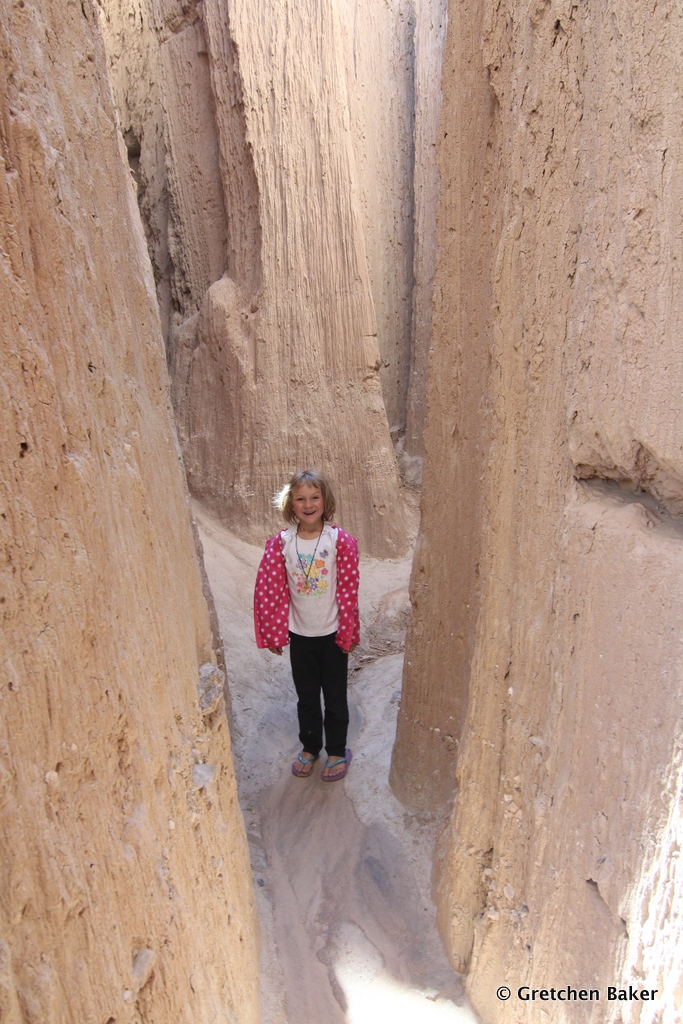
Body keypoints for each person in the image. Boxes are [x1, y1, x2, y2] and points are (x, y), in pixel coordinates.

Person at [253, 469, 359, 780]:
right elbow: (270, 590)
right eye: (300, 499)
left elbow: (349, 591)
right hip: (300, 636)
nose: (308, 504)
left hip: (332, 635)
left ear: (325, 501)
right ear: (291, 504)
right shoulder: (282, 543)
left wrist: (349, 631)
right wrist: (274, 633)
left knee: (335, 697)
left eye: (315, 497)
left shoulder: (338, 541)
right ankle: (311, 746)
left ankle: (336, 750)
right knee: (307, 697)